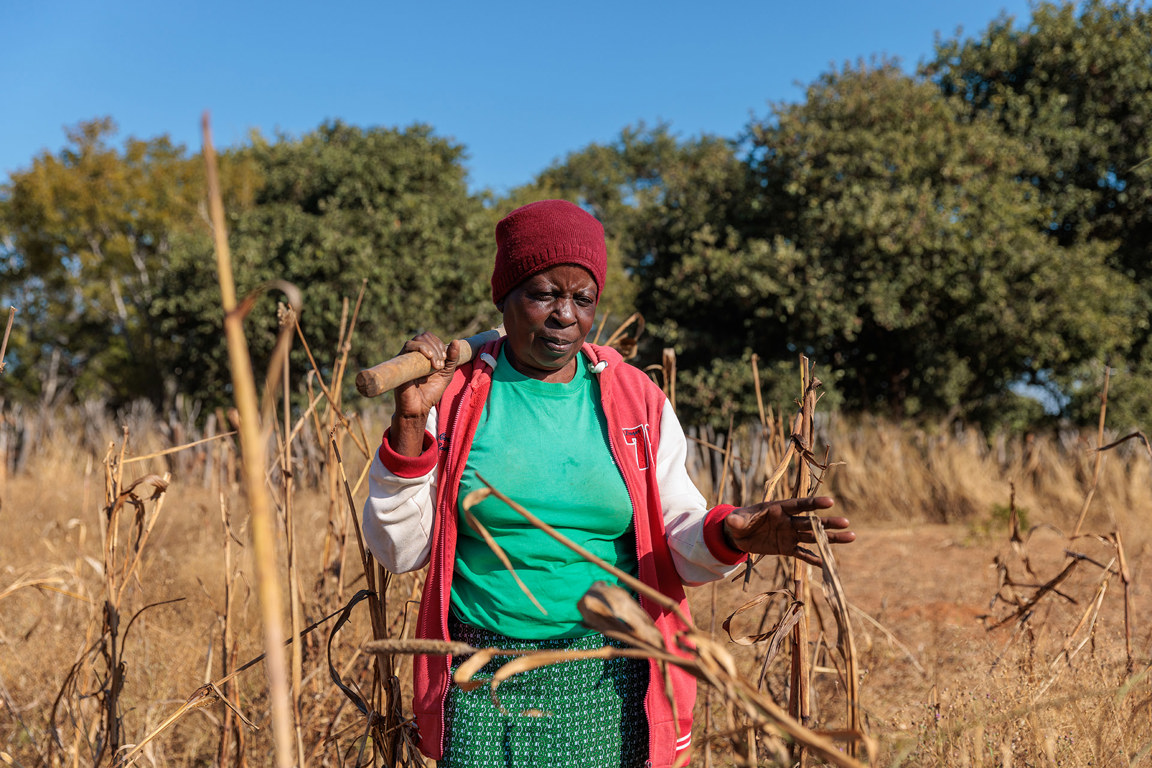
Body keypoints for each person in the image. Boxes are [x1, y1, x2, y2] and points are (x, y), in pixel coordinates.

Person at [362, 199, 855, 768]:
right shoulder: (454, 397)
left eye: (582, 298)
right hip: (479, 680)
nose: (564, 315)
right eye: (543, 294)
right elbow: (400, 552)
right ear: (504, 297)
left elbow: (676, 533)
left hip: (608, 679)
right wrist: (407, 423)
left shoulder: (633, 400)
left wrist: (736, 534)